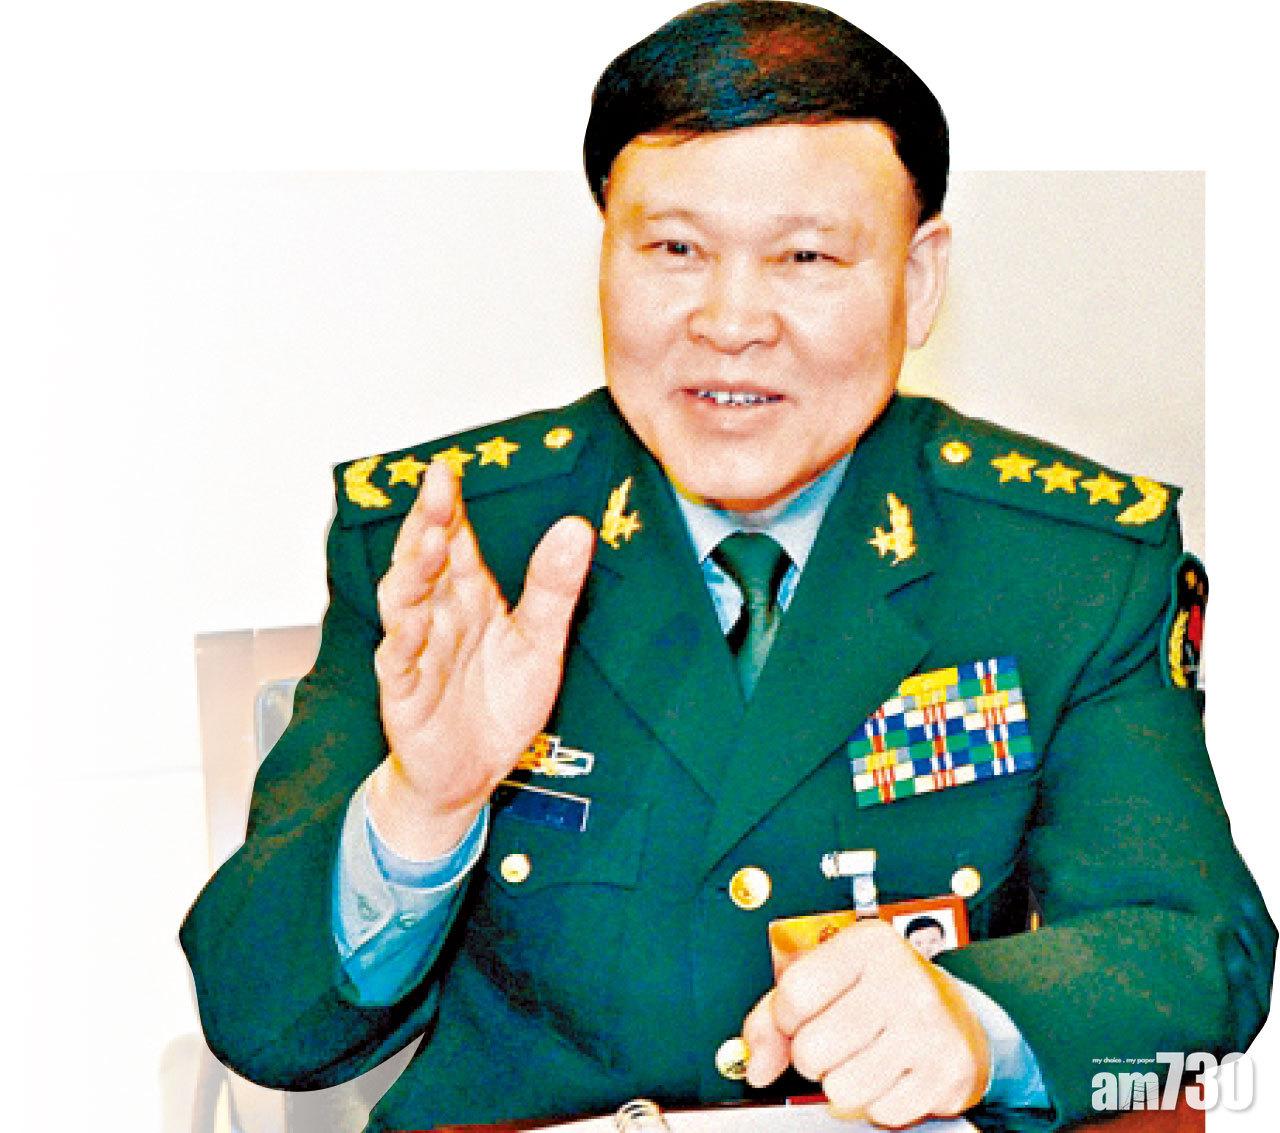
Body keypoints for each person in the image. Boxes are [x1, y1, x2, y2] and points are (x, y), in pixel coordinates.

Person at [180, 3, 1275, 1130]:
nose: (731, 321)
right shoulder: (455, 542)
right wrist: (425, 804)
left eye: (806, 256)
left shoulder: (1063, 564)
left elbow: (1197, 950)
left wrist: (976, 1025)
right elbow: (263, 1023)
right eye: (674, 250)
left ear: (919, 277)